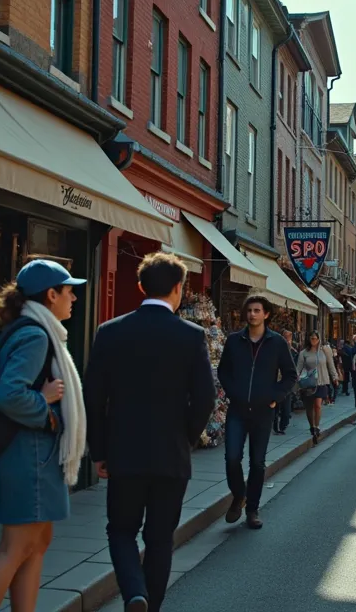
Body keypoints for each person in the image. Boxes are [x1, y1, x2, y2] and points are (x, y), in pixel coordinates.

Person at [83, 253, 214, 612]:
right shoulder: (191, 335)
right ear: (178, 289)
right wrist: (186, 437)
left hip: (124, 452)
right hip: (171, 454)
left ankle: (134, 592)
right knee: (159, 538)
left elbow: (93, 397)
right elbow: (205, 398)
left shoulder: (110, 332)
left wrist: (99, 450)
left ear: (141, 287)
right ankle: (150, 604)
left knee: (121, 530)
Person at [0, 260, 87, 612]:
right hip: (30, 454)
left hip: (34, 454)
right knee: (16, 548)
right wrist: (47, 410)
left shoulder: (32, 329)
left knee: (37, 544)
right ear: (51, 295)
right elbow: (9, 395)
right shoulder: (36, 335)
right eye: (69, 292)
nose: (74, 299)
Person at [216, 295, 297, 529]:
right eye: (249, 310)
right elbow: (223, 371)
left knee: (257, 462)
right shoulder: (234, 341)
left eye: (257, 310)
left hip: (263, 411)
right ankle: (239, 495)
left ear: (266, 314)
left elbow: (290, 375)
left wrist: (275, 397)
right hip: (238, 409)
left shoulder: (277, 342)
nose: (252, 314)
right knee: (232, 458)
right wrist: (233, 392)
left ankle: (252, 510)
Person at [296, 331, 339, 445]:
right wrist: (297, 378)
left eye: (315, 338)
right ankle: (311, 426)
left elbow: (331, 364)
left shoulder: (325, 351)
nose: (314, 340)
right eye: (312, 338)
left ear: (319, 339)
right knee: (309, 407)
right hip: (309, 383)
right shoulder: (304, 353)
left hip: (321, 381)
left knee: (318, 405)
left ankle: (317, 426)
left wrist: (335, 377)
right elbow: (299, 368)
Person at [272, 330, 296, 436]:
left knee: (286, 409)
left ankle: (283, 425)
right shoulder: (277, 350)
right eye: (285, 337)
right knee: (275, 408)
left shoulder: (293, 352)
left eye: (289, 337)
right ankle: (276, 427)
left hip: (287, 384)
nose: (287, 340)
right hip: (276, 383)